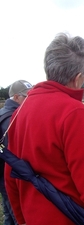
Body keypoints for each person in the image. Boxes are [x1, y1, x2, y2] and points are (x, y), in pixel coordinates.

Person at [4, 33, 84, 225]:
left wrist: (22, 218)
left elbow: (11, 171)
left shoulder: (22, 109)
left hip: (32, 216)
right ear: (78, 77)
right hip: (68, 218)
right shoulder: (73, 112)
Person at [0, 80, 33, 225]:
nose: (30, 100)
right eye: (27, 97)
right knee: (17, 216)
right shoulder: (12, 118)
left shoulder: (3, 113)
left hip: (3, 175)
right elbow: (17, 153)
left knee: (8, 213)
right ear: (16, 97)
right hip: (11, 177)